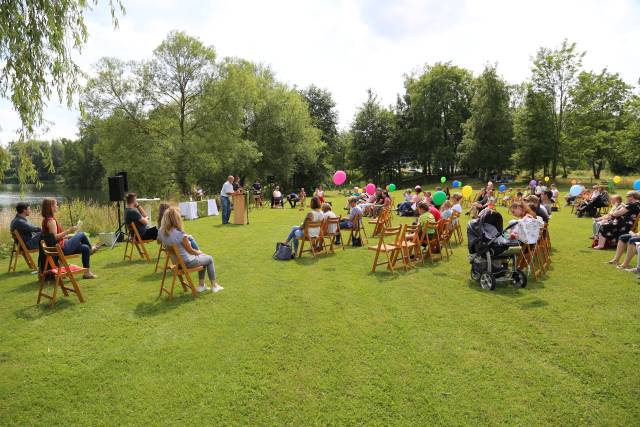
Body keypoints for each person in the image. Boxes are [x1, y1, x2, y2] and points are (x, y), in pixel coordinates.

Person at [158, 207, 222, 293]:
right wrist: (199, 252)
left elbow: (159, 242)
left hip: (176, 263)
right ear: (176, 219)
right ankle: (214, 286)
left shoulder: (161, 232)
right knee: (209, 259)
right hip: (186, 263)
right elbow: (191, 251)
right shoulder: (180, 235)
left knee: (203, 259)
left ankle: (201, 285)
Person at [40, 197, 99, 279]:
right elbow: (55, 237)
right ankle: (91, 249)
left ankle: (87, 273)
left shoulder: (46, 219)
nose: (57, 206)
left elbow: (51, 238)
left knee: (84, 248)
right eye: (56, 204)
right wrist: (69, 231)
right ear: (51, 207)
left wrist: (66, 236)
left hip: (59, 247)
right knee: (81, 234)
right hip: (61, 249)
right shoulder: (51, 221)